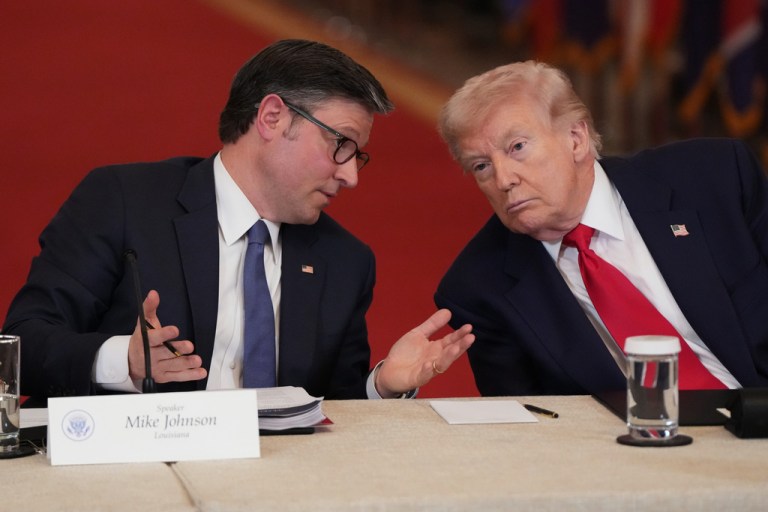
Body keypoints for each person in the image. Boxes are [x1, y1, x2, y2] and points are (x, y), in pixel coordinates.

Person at [3, 39, 474, 401]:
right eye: (341, 145)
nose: (350, 175)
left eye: (358, 155)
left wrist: (382, 387)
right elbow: (19, 346)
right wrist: (121, 360)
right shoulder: (124, 200)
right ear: (272, 117)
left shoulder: (345, 261)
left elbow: (330, 411)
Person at [434, 60, 768, 396]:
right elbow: (528, 420)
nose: (503, 179)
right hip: (634, 431)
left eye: (517, 147)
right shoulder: (480, 288)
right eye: (481, 166)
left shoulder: (717, 178)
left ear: (576, 139)